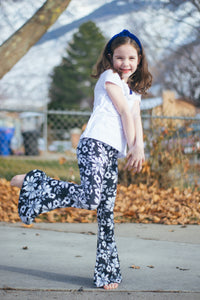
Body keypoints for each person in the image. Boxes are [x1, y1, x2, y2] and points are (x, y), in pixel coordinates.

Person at [11, 29, 152, 290]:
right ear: (111, 58)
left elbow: (135, 118)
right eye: (120, 57)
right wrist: (133, 147)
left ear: (140, 59)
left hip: (111, 152)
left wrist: (139, 148)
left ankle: (107, 273)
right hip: (94, 144)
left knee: (106, 212)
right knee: (91, 198)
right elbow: (123, 111)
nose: (125, 64)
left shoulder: (133, 91)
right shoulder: (110, 77)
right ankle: (33, 182)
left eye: (131, 58)